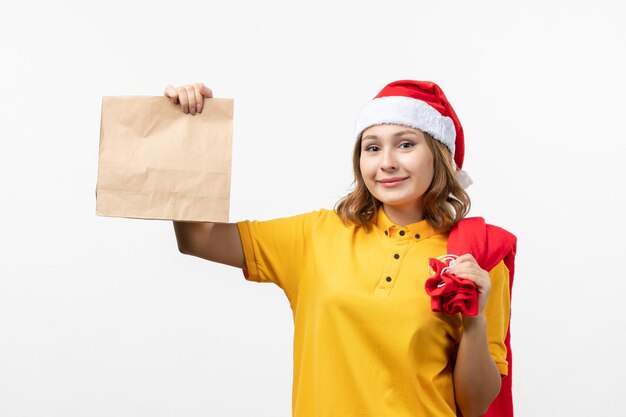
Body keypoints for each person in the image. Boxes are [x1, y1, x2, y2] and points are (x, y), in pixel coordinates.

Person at [164, 80, 513, 417]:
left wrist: (474, 320)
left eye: (406, 144)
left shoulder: (476, 259)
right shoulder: (317, 236)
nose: (386, 162)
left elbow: (475, 404)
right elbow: (197, 238)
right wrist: (187, 133)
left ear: (440, 155)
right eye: (372, 147)